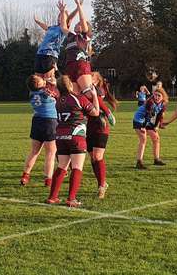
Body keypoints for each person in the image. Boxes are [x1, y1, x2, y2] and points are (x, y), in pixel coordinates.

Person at [46, 75, 100, 207]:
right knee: (77, 167)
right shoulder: (78, 98)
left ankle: (52, 197)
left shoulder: (59, 101)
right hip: (76, 135)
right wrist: (94, 97)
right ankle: (71, 199)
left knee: (62, 166)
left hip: (60, 136)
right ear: (70, 84)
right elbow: (95, 113)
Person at [21, 75, 59, 187]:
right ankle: (48, 180)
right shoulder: (46, 93)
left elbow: (43, 89)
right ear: (38, 84)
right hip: (50, 122)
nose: (42, 79)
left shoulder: (32, 93)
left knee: (34, 151)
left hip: (37, 121)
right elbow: (56, 93)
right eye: (40, 79)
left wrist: (45, 82)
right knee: (51, 153)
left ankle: (25, 176)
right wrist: (53, 83)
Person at [86, 72, 117, 199]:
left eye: (91, 76)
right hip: (88, 127)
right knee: (93, 158)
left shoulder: (97, 90)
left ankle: (101, 186)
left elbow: (99, 101)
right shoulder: (86, 89)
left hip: (100, 126)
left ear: (97, 80)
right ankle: (102, 183)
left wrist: (108, 113)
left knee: (98, 156)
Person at [63, 0, 96, 100]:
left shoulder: (84, 36)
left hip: (81, 65)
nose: (77, 25)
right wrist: (63, 12)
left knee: (89, 94)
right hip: (69, 66)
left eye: (79, 25)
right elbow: (63, 27)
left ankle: (106, 113)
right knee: (74, 96)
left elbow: (82, 20)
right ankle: (82, 116)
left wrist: (79, 6)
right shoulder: (71, 36)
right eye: (76, 24)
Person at [33, 0, 70, 82]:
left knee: (48, 78)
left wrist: (63, 11)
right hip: (40, 53)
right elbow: (45, 27)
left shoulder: (63, 29)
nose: (60, 17)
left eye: (62, 16)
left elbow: (64, 23)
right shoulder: (53, 27)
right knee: (37, 78)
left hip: (50, 55)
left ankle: (51, 92)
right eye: (59, 15)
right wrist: (37, 21)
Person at [133, 88, 168, 169]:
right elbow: (147, 115)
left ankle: (156, 159)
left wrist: (157, 126)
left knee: (156, 138)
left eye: (159, 95)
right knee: (143, 139)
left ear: (163, 97)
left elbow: (159, 115)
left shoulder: (163, 104)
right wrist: (143, 126)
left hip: (148, 121)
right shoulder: (150, 102)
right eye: (155, 95)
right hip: (139, 120)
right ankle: (139, 162)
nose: (156, 97)